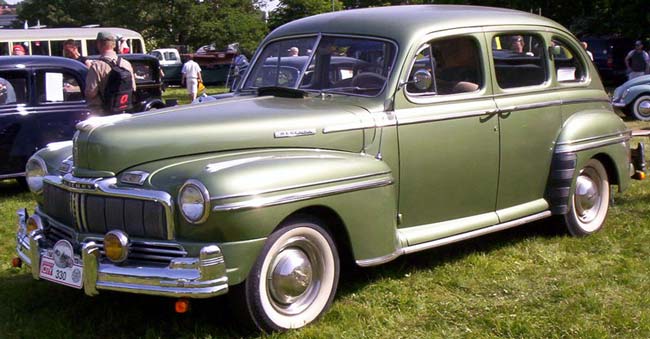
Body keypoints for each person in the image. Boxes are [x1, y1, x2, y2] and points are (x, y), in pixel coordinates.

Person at [85, 31, 136, 115]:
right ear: (114, 45)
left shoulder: (97, 66)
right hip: (123, 110)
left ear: (99, 44)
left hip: (102, 112)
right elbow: (133, 88)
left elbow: (90, 93)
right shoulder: (126, 64)